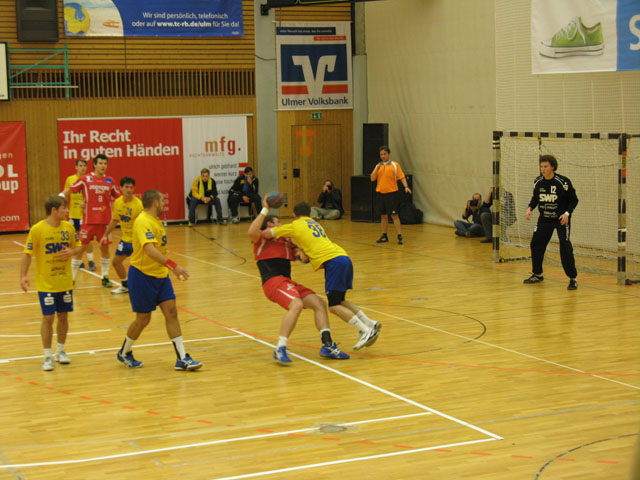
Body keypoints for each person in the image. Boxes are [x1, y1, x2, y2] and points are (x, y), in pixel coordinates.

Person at [263, 201, 381, 351]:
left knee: (334, 306)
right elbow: (310, 249)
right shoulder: (315, 224)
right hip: (343, 257)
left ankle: (365, 330)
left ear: (294, 215)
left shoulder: (295, 225)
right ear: (310, 214)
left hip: (333, 263)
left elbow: (267, 234)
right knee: (340, 300)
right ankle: (370, 323)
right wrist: (302, 252)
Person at [248, 200, 349, 364]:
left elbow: (304, 258)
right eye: (277, 222)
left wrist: (301, 250)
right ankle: (280, 348)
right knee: (297, 304)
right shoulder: (261, 240)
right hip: (272, 282)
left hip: (287, 281)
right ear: (269, 225)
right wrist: (265, 208)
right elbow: (251, 231)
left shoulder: (286, 242)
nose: (280, 225)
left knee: (319, 303)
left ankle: (327, 345)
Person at [116, 189, 202, 370]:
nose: (163, 204)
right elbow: (149, 250)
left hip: (160, 275)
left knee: (171, 312)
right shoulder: (143, 221)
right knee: (143, 319)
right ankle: (124, 352)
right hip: (142, 275)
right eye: (161, 201)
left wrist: (167, 268)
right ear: (155, 203)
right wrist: (174, 266)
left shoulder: (155, 220)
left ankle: (182, 358)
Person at [20, 195, 81, 371]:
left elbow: (78, 246)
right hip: (45, 283)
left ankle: (60, 351)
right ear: (54, 210)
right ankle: (47, 356)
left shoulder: (68, 227)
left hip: (65, 282)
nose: (67, 211)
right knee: (48, 317)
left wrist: (71, 252)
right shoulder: (37, 229)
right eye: (64, 208)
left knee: (63, 316)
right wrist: (23, 276)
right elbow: (27, 254)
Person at [62, 154, 120, 287]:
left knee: (105, 250)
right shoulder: (85, 179)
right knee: (80, 249)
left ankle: (105, 277)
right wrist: (59, 197)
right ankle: (71, 279)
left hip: (105, 224)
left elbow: (119, 197)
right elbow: (70, 190)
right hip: (88, 222)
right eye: (100, 163)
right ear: (94, 165)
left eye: (105, 163)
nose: (103, 166)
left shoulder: (110, 181)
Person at [524, 154, 579, 290]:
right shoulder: (538, 181)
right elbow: (536, 198)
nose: (543, 169)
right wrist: (530, 208)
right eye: (541, 166)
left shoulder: (563, 182)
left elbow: (574, 200)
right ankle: (537, 274)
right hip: (544, 219)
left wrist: (567, 213)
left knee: (565, 246)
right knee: (536, 244)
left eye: (546, 166)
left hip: (561, 219)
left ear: (552, 167)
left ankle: (573, 278)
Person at [100, 177, 144, 295]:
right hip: (125, 241)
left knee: (138, 267)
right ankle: (125, 286)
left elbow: (144, 223)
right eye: (126, 187)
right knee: (116, 262)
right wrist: (105, 234)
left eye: (131, 187)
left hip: (137, 241)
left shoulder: (138, 204)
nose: (129, 190)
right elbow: (115, 220)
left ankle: (144, 288)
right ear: (121, 188)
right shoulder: (118, 202)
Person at [369, 146, 412, 245]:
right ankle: (384, 236)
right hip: (381, 194)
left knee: (394, 215)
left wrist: (406, 186)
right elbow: (372, 178)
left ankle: (399, 236)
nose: (383, 156)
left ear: (388, 154)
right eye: (381, 154)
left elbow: (402, 177)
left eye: (384, 154)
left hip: (392, 194)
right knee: (383, 216)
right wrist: (376, 169)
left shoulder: (395, 165)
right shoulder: (378, 166)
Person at [63, 158, 96, 271]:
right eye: (80, 165)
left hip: (85, 215)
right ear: (76, 167)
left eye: (84, 166)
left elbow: (93, 196)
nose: (82, 168)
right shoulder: (70, 179)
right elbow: (66, 194)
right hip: (73, 214)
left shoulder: (89, 179)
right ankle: (80, 261)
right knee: (76, 238)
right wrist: (65, 209)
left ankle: (91, 261)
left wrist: (87, 204)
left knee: (87, 239)